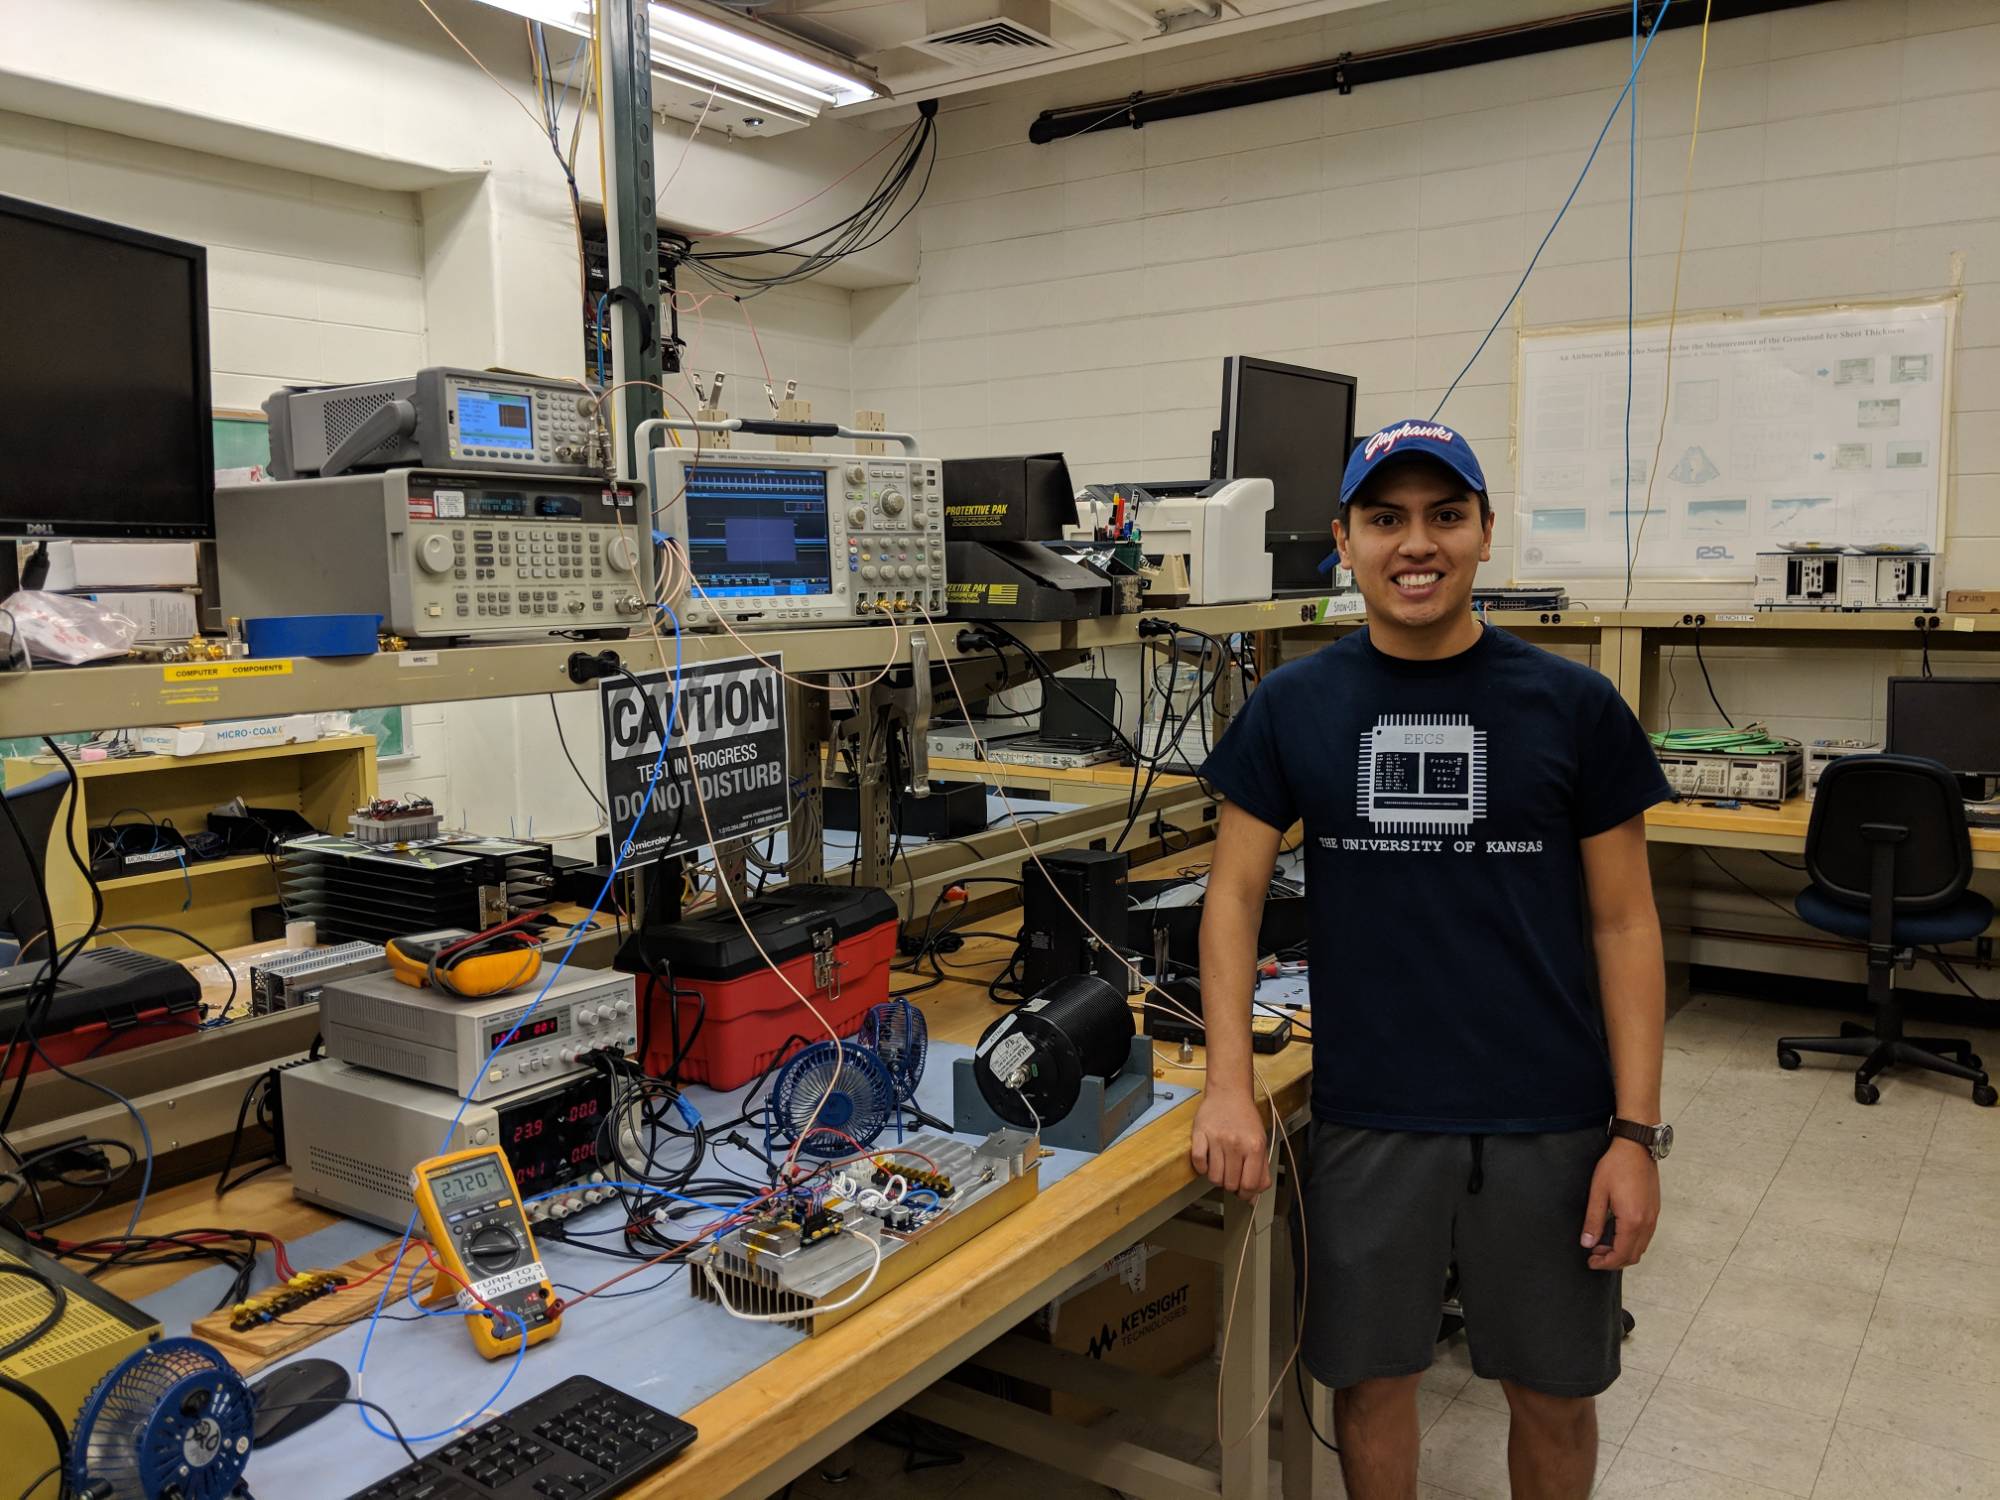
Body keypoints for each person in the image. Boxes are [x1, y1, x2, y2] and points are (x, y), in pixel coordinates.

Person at [1192, 418, 1675, 1500]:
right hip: (1372, 1115)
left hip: (1548, 1117)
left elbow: (1625, 926)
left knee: (1553, 1395)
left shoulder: (1573, 707)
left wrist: (1634, 1135)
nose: (1416, 544)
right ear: (1343, 541)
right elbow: (1228, 899)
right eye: (1385, 519)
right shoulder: (1293, 706)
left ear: (1484, 534)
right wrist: (1227, 1084)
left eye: (1443, 517)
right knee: (1370, 1387)